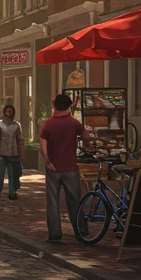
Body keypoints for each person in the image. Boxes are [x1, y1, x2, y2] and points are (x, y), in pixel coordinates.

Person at [39, 93, 95, 243]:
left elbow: (43, 144)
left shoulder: (47, 124)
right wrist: (88, 140)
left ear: (54, 105)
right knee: (75, 200)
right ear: (69, 106)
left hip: (53, 168)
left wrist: (47, 161)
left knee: (53, 201)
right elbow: (86, 137)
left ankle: (55, 234)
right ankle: (80, 231)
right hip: (70, 167)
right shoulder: (74, 123)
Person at [0, 104, 24, 200]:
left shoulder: (17, 125)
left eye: (11, 110)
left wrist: (20, 153)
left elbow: (19, 140)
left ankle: (12, 192)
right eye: (7, 110)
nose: (9, 112)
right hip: (1, 153)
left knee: (13, 174)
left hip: (13, 153)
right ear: (4, 112)